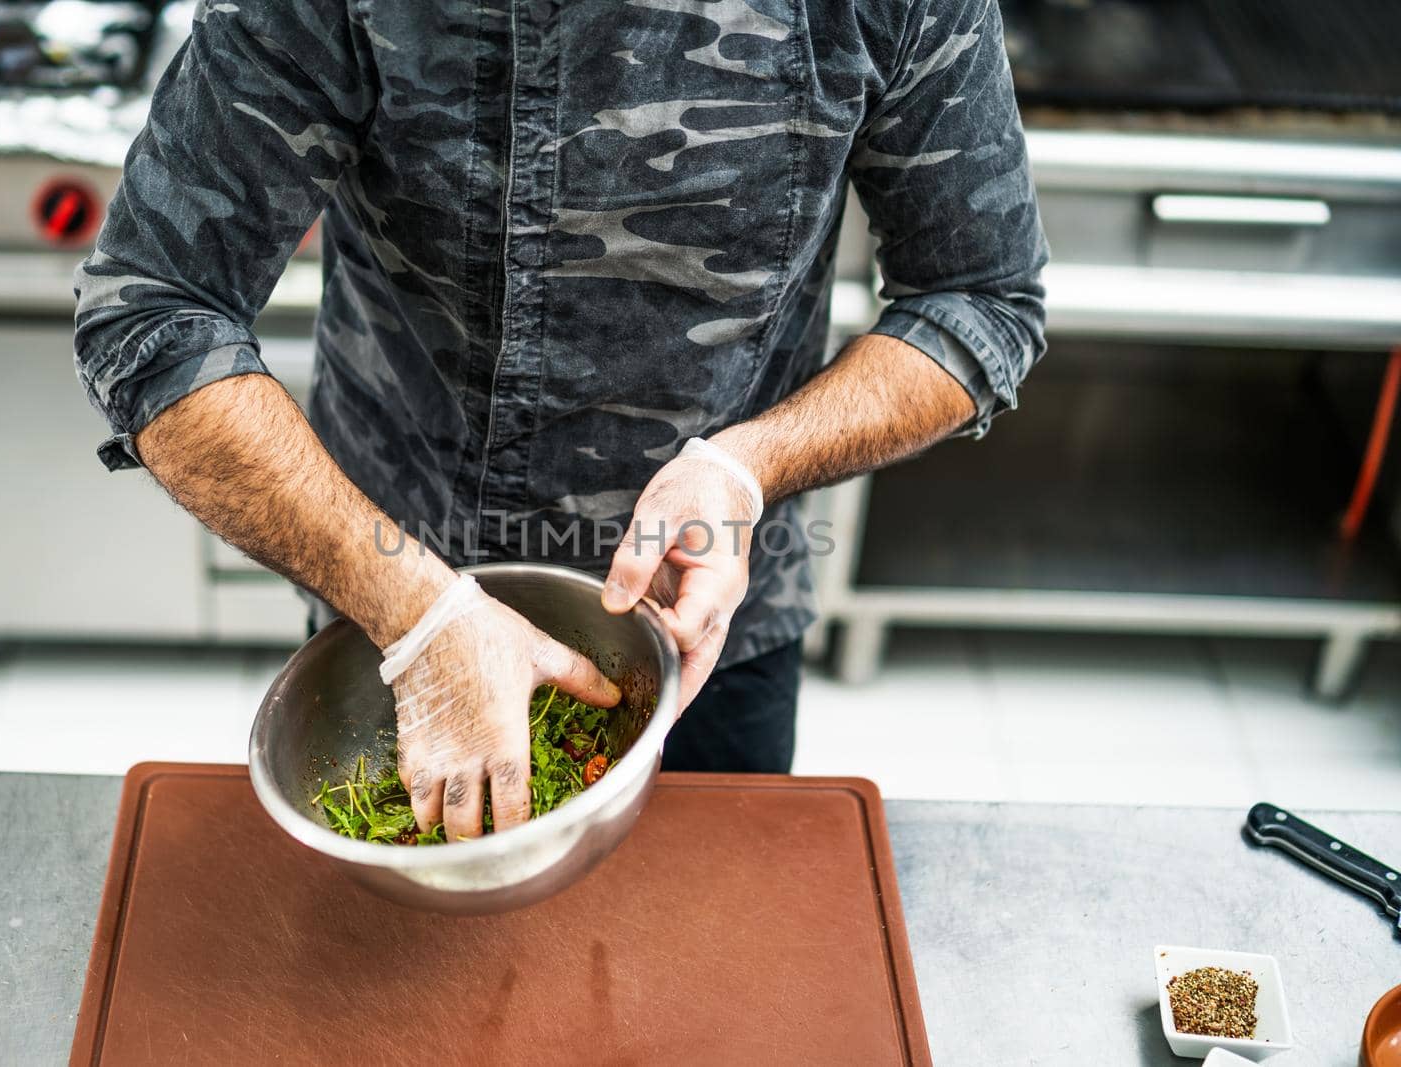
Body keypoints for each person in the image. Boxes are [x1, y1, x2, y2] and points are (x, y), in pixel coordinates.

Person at [72, 0, 1046, 841]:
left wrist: (749, 464)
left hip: (705, 633)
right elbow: (152, 307)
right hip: (398, 591)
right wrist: (418, 615)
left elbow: (977, 296)